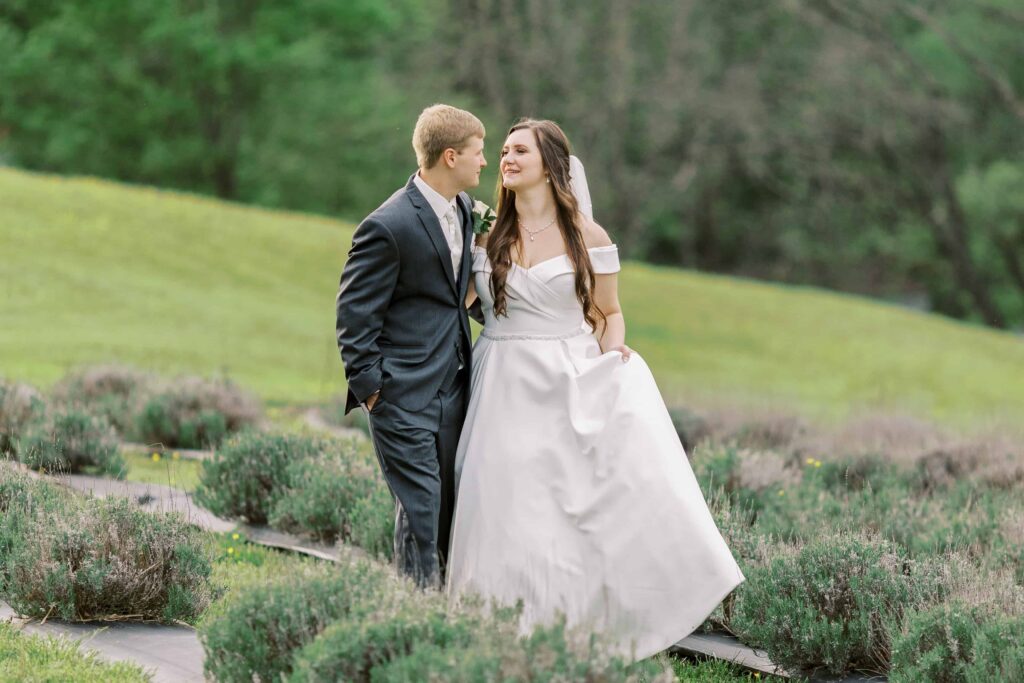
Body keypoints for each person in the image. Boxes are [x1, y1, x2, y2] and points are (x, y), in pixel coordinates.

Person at [445, 118, 745, 660]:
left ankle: (571, 632)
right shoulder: (489, 234)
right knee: (502, 505)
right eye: (504, 151)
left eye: (519, 151)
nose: (505, 159)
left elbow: (609, 313)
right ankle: (492, 634)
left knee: (564, 510)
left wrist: (611, 363)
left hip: (568, 378)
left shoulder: (589, 236)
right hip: (503, 382)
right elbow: (462, 304)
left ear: (550, 164)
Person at [336, 104, 487, 589]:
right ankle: (414, 622)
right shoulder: (388, 225)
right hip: (401, 397)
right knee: (420, 511)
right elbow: (354, 315)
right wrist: (373, 390)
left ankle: (440, 613)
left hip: (454, 391)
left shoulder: (465, 210)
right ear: (449, 156)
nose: (484, 163)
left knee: (447, 511)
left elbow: (456, 296)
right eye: (477, 153)